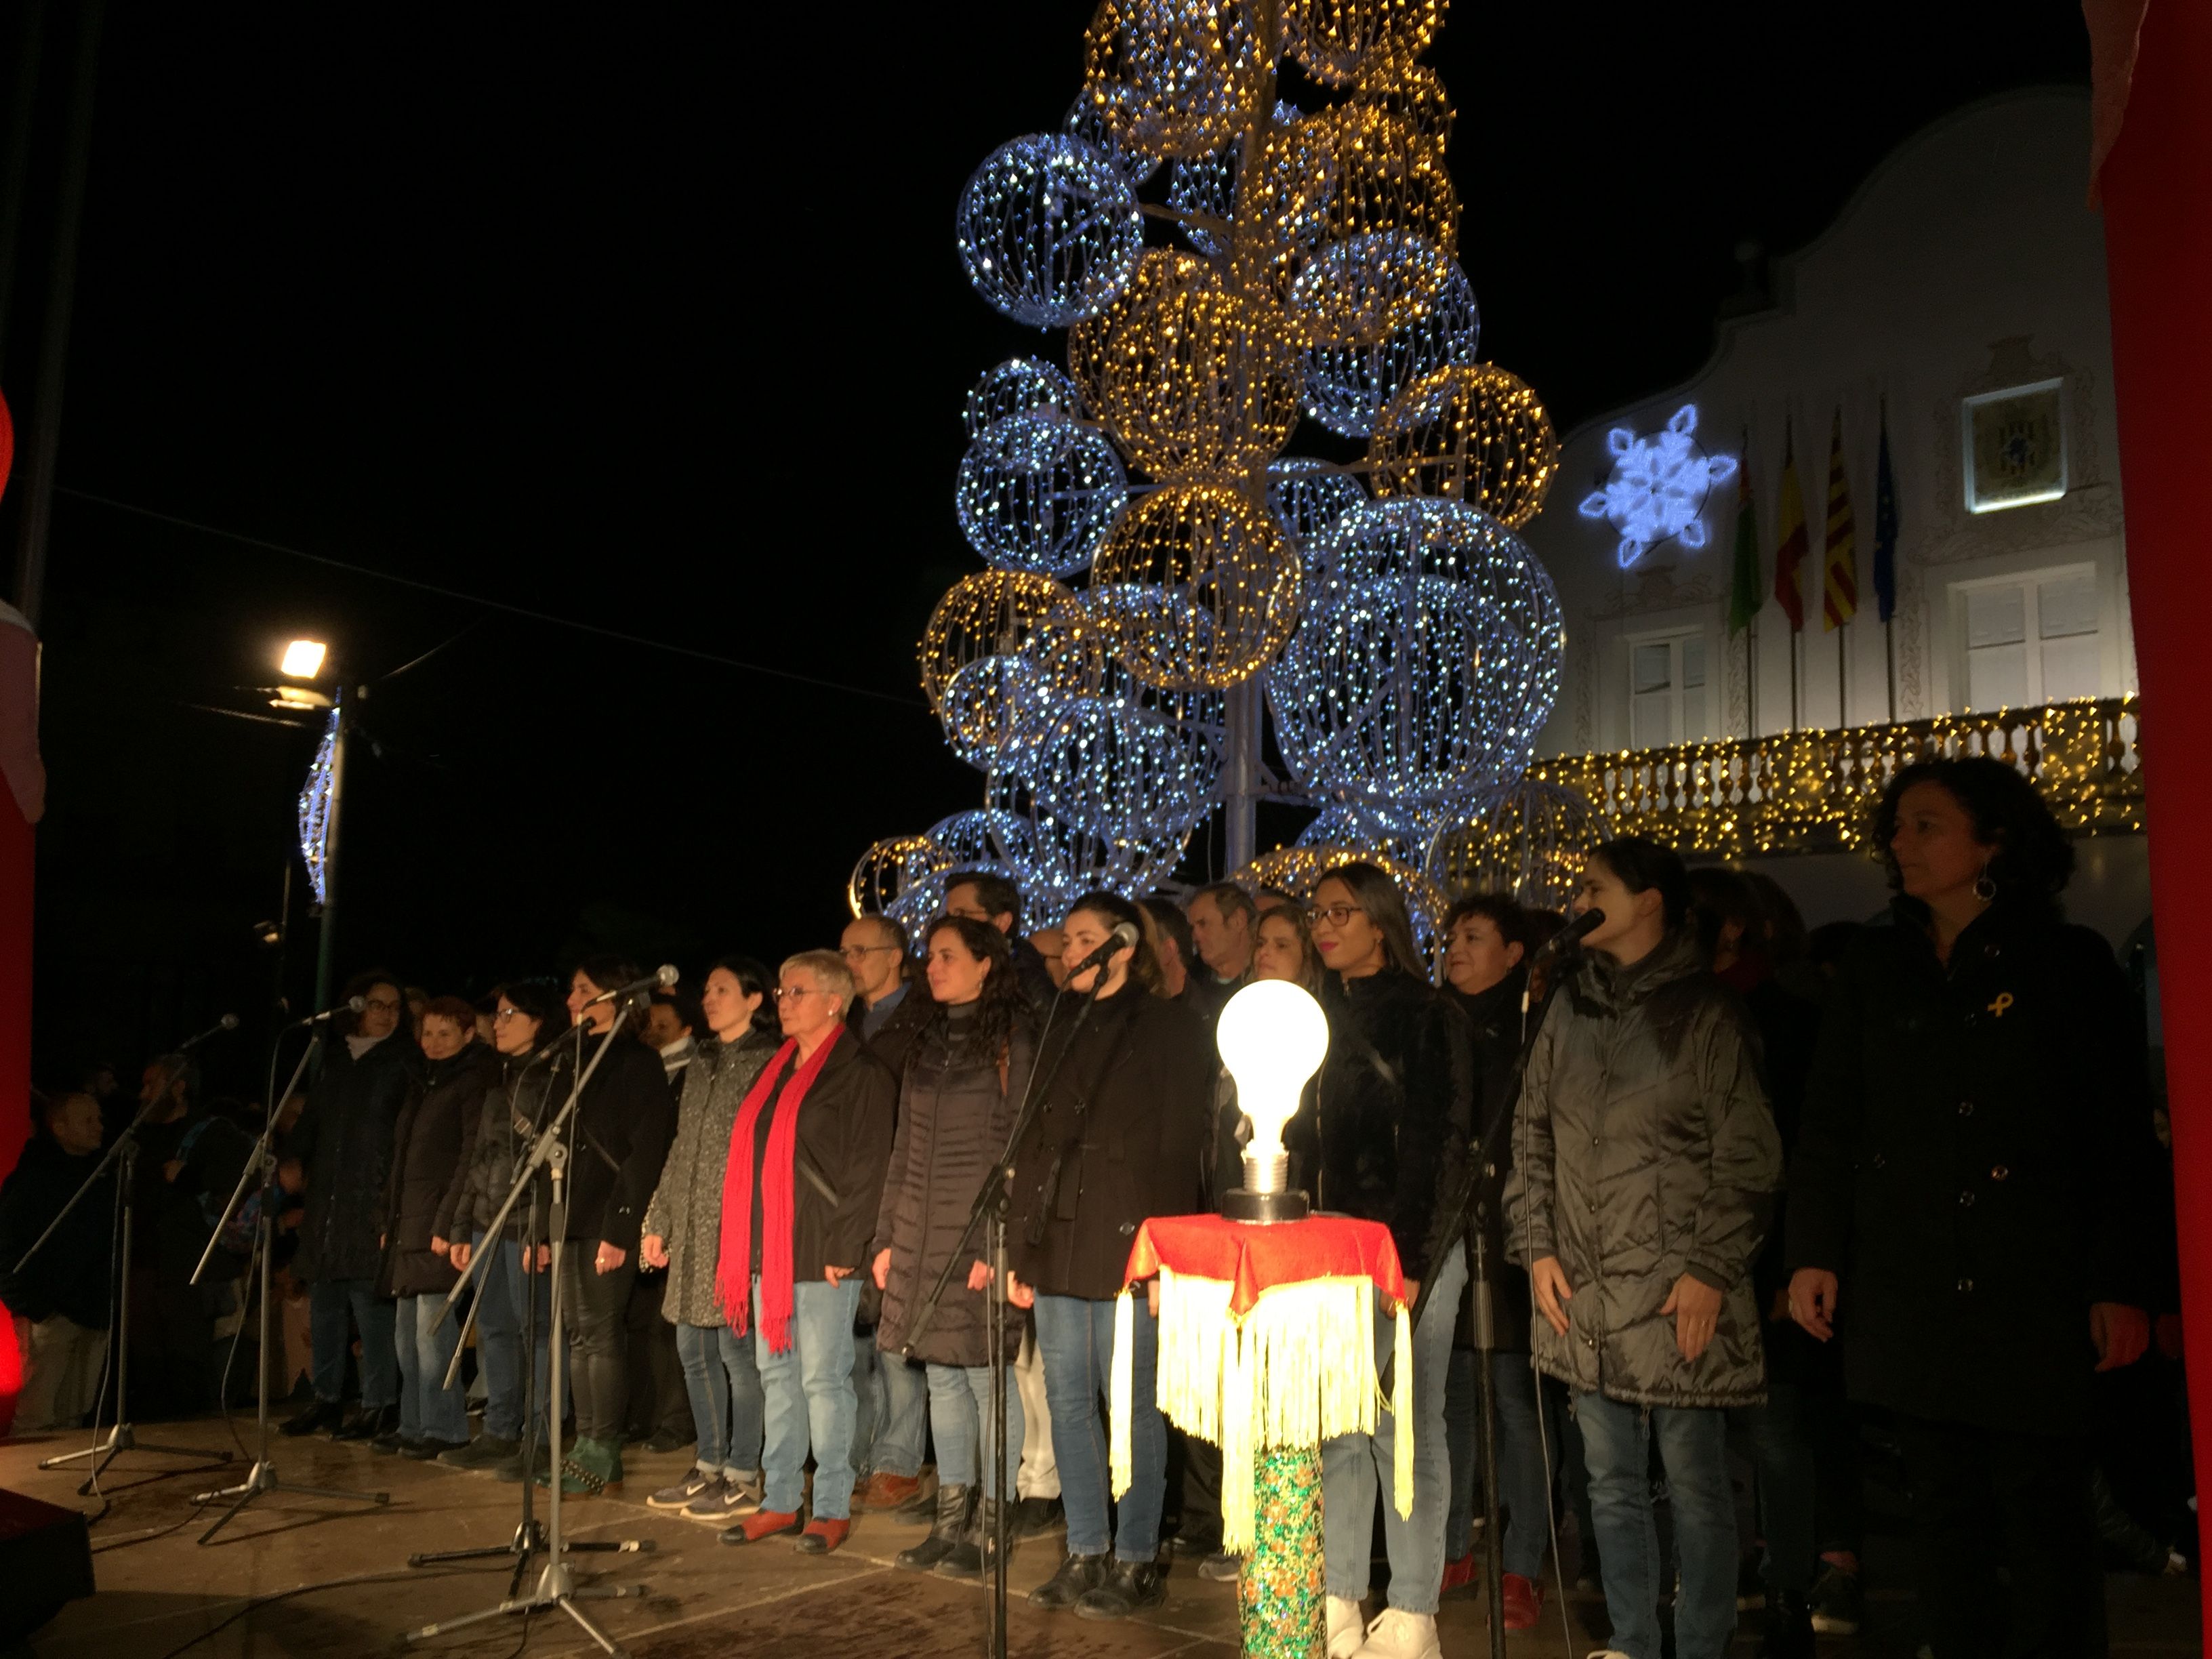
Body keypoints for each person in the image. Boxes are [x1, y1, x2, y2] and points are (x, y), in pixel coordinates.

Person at [1786, 757, 2160, 1658]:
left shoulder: (2066, 964)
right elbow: (1832, 1118)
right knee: (1941, 1518)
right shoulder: (1879, 964)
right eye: (1898, 826)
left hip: (2030, 1279)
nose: (1900, 842)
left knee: (2044, 1516)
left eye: (1926, 825)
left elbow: (2113, 1135)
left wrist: (2119, 1281)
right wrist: (1814, 1250)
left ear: (1993, 841)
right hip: (1912, 1280)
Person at [1504, 838, 1782, 1659]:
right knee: (1611, 1486)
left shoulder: (1705, 1012)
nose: (1579, 898)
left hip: (1674, 1295)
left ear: (1650, 901)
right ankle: (1632, 1639)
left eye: (1595, 887)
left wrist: (1709, 1272)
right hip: (1583, 1287)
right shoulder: (1568, 1006)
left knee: (1695, 1484)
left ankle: (1701, 1642)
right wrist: (1538, 1245)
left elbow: (1750, 1155)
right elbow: (1530, 1134)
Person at [1006, 891, 1212, 1620]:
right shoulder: (1063, 1019)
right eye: (1065, 940)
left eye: (1084, 939)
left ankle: (1135, 1557)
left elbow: (1179, 1147)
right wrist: (1017, 1247)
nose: (1068, 952)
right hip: (1060, 1234)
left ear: (1124, 946)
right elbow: (1033, 1136)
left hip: (1134, 1239)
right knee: (1066, 1399)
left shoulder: (1171, 1026)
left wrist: (1166, 1254)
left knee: (1130, 1407)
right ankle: (1085, 1547)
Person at [1306, 863, 1472, 1659]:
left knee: (1405, 1427)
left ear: (1382, 922)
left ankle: (1412, 1611)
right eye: (1318, 912)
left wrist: (1410, 1257)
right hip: (1328, 1246)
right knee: (1340, 1428)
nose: (1325, 924)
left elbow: (1440, 1143)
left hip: (1410, 1247)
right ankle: (1340, 1596)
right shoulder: (1309, 1015)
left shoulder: (1427, 1014)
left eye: (1343, 910)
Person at [1687, 867, 1832, 1654]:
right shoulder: (1675, 1010)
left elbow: (1785, 1153)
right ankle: (1728, 1569)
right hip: (1686, 1252)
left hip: (1764, 1255)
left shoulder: (1782, 1018)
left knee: (1774, 1427)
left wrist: (1785, 1268)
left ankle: (1788, 1587)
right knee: (1700, 1435)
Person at [716, 949, 897, 1557]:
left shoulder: (859, 1071)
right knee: (778, 1378)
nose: (782, 1002)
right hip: (773, 1247)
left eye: (795, 992)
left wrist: (848, 1244)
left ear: (832, 1001)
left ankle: (832, 1506)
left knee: (824, 1379)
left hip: (824, 1249)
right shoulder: (777, 1071)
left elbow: (868, 1166)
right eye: (781, 992)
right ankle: (780, 1501)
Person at [872, 915, 1036, 1577]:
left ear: (986, 963)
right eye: (930, 956)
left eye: (947, 955)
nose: (932, 967)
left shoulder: (1013, 1040)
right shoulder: (926, 1044)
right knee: (942, 1380)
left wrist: (1002, 1248)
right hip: (919, 1231)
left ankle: (994, 1527)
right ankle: (951, 1522)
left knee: (986, 1382)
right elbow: (903, 1150)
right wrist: (887, 1236)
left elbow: (1022, 1149)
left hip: (981, 1237)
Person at [1433, 893, 1555, 1628]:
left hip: (1513, 1239)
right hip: (1447, 1235)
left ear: (1514, 954)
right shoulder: (1436, 1021)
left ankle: (1523, 1565)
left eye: (1473, 937)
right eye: (1450, 936)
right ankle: (1452, 1546)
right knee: (1450, 1402)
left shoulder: (1536, 1028)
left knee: (1516, 1406)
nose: (1454, 948)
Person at [640, 956, 780, 1524]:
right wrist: (657, 1221)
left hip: (735, 1231)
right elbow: (680, 1149)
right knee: (692, 1350)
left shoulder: (770, 1062)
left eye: (724, 990)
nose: (711, 998)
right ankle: (709, 1464)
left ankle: (744, 1472)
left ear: (754, 1000)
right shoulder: (701, 1062)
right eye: (709, 991)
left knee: (736, 1355)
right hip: (693, 1227)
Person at [534, 955, 678, 1498]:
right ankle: (584, 1443)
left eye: (584, 989)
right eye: (572, 990)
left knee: (599, 1334)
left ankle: (603, 1447)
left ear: (616, 997)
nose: (572, 1000)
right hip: (568, 1213)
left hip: (605, 1216)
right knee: (578, 1335)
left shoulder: (636, 1063)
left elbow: (644, 1153)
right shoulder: (569, 1060)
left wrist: (621, 1228)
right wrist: (537, 1230)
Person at [281, 971, 420, 1441]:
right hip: (328, 1197)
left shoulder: (403, 1063)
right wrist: (293, 1158)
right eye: (377, 1004)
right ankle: (326, 1398)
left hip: (371, 1196)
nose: (386, 1013)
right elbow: (314, 1119)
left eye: (394, 1007)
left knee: (371, 1305)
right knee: (325, 1302)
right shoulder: (335, 1060)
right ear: (355, 1007)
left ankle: (379, 1401)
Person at [439, 978, 566, 1475]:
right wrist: (461, 1225)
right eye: (498, 1014)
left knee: (535, 1332)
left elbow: (552, 1164)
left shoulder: (553, 1078)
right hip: (488, 1225)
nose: (499, 1022)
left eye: (511, 1014)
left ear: (539, 1021)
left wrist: (538, 1229)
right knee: (494, 1329)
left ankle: (540, 1436)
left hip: (525, 1226)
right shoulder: (500, 1081)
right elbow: (479, 1159)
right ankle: (499, 1429)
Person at [375, 995, 496, 1458]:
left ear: (468, 1035)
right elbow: (401, 1159)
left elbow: (468, 1158)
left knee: (433, 1335)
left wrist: (449, 1222)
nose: (435, 1042)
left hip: (438, 1225)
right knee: (406, 1337)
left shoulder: (471, 1083)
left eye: (446, 1033)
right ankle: (414, 1423)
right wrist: (387, 1219)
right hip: (408, 1222)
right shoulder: (421, 1082)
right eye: (428, 1033)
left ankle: (445, 1429)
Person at [841, 912, 933, 1508]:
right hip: (844, 1191)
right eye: (843, 952)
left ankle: (899, 1460)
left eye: (859, 951)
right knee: (849, 1338)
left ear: (895, 956)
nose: (849, 962)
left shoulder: (922, 1019)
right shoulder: (845, 1021)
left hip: (898, 1185)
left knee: (896, 1339)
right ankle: (856, 1457)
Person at [0, 1091, 113, 1431]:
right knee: (38, 1414)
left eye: (99, 1119)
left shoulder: (103, 1178)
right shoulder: (31, 1180)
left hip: (92, 1309)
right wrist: (32, 1304)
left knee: (75, 1414)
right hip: (50, 1313)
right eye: (88, 1120)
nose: (99, 1127)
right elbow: (6, 1244)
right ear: (60, 1127)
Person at [629, 988, 703, 1454]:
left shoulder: (693, 1071)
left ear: (687, 1028)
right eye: (648, 1024)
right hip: (644, 1206)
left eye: (663, 1024)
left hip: (678, 1207)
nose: (652, 1032)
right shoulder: (641, 1069)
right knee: (643, 1322)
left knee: (673, 1323)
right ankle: (650, 1414)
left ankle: (680, 1420)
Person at [945, 870, 1059, 1013]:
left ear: (1002, 923)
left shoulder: (1028, 990)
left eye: (961, 915)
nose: (948, 926)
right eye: (947, 917)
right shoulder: (941, 975)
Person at [1188, 881, 1258, 987]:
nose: (1195, 936)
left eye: (1203, 924)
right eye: (1192, 928)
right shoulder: (1188, 983)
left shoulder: (1271, 984)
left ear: (1238, 920)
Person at [643, 989, 701, 1093]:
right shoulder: (643, 1061)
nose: (651, 1031)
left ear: (685, 1031)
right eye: (648, 1023)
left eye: (662, 1027)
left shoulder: (692, 1069)